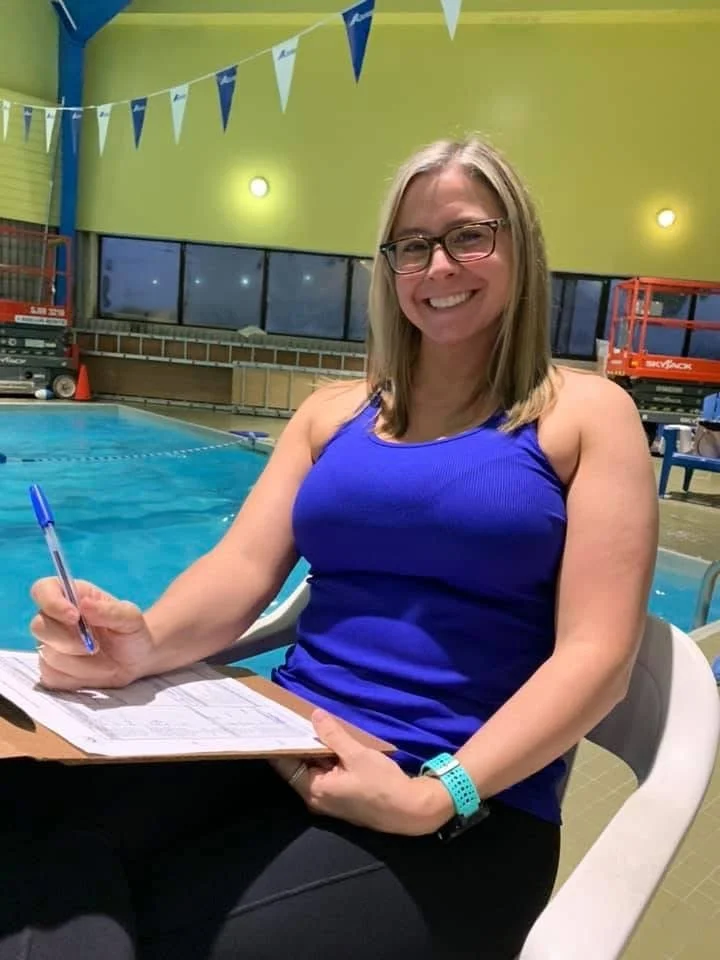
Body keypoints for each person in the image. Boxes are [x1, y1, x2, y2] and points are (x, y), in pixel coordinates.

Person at [13, 135, 658, 960]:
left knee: (171, 930)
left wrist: (439, 794)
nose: (439, 267)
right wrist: (141, 646)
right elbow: (243, 569)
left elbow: (598, 654)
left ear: (519, 246)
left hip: (463, 804)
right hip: (283, 745)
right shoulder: (331, 413)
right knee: (26, 816)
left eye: (468, 235)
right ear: (388, 268)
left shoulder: (586, 415)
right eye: (413, 246)